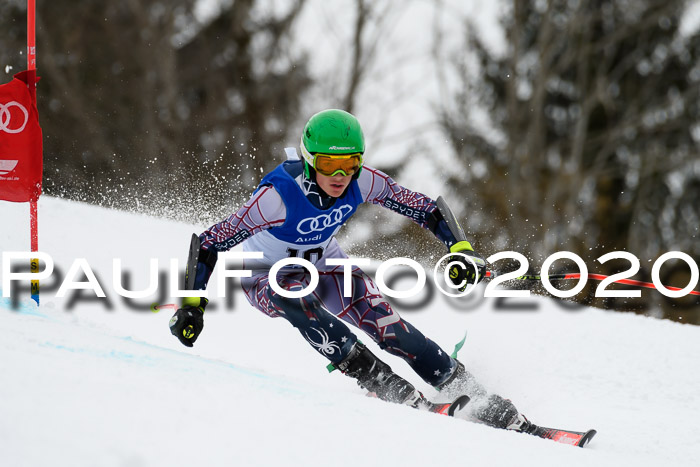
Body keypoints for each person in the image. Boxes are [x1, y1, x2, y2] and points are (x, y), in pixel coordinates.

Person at [169, 109, 529, 431]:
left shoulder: (362, 180)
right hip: (264, 274)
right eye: (328, 165)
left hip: (325, 264)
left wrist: (460, 249)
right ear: (310, 160)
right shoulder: (276, 197)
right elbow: (210, 242)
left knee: (390, 327)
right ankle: (375, 378)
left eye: (351, 163)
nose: (340, 175)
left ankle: (473, 394)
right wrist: (192, 303)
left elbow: (424, 209)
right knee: (295, 296)